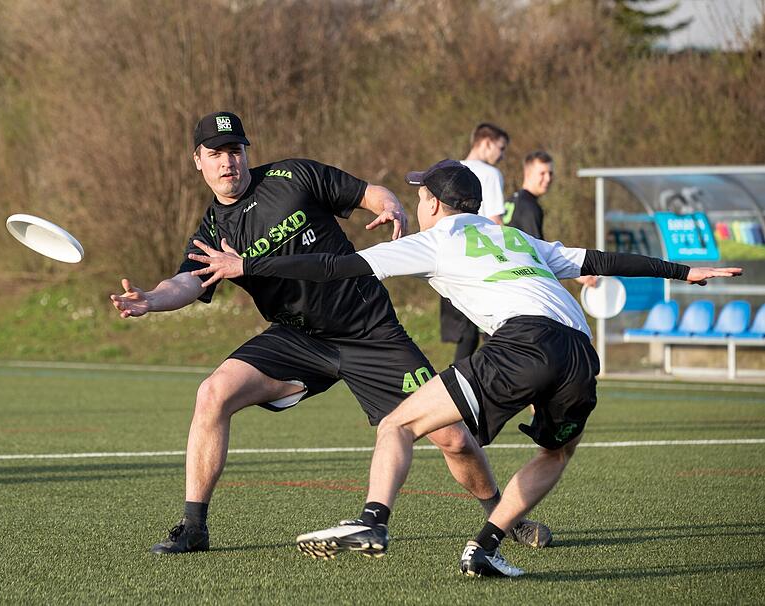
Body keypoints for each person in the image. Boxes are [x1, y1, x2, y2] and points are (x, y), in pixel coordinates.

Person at [188, 159, 741, 576]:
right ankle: (487, 547)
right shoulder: (516, 237)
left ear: (433, 204)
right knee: (556, 452)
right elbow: (600, 261)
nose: (418, 201)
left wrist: (248, 263)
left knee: (398, 424)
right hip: (580, 351)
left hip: (524, 341)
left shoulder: (434, 241)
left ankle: (372, 521)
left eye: (420, 193)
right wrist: (684, 271)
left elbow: (333, 265)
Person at [110, 113, 549, 555]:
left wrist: (389, 206)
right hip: (297, 339)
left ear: (246, 153)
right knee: (213, 393)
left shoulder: (293, 176)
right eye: (216, 154)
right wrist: (151, 299)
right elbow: (188, 281)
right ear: (197, 161)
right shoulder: (213, 230)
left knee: (452, 436)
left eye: (235, 151)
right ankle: (193, 527)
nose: (228, 162)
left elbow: (367, 193)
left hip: (370, 331)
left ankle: (504, 517)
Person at [442, 123, 510, 363]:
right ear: (486, 142)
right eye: (501, 148)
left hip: (451, 261)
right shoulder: (490, 174)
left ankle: (452, 391)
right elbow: (495, 223)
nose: (501, 156)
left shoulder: (450, 170)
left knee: (466, 336)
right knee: (493, 334)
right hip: (483, 263)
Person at [504, 150, 597, 289]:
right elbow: (540, 253)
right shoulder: (530, 207)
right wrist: (576, 271)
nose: (548, 178)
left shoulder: (512, 199)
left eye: (550, 173)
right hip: (520, 282)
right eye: (542, 173)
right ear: (527, 174)